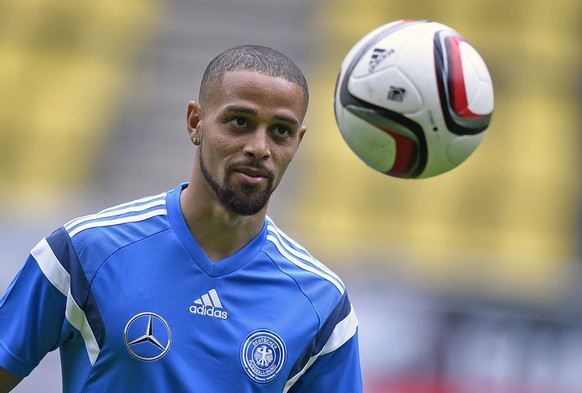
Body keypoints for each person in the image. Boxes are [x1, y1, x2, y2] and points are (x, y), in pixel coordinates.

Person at [0, 45, 362, 392]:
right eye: (239, 122)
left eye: (280, 131)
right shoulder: (86, 251)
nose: (259, 147)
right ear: (195, 122)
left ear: (297, 142)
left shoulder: (322, 301)